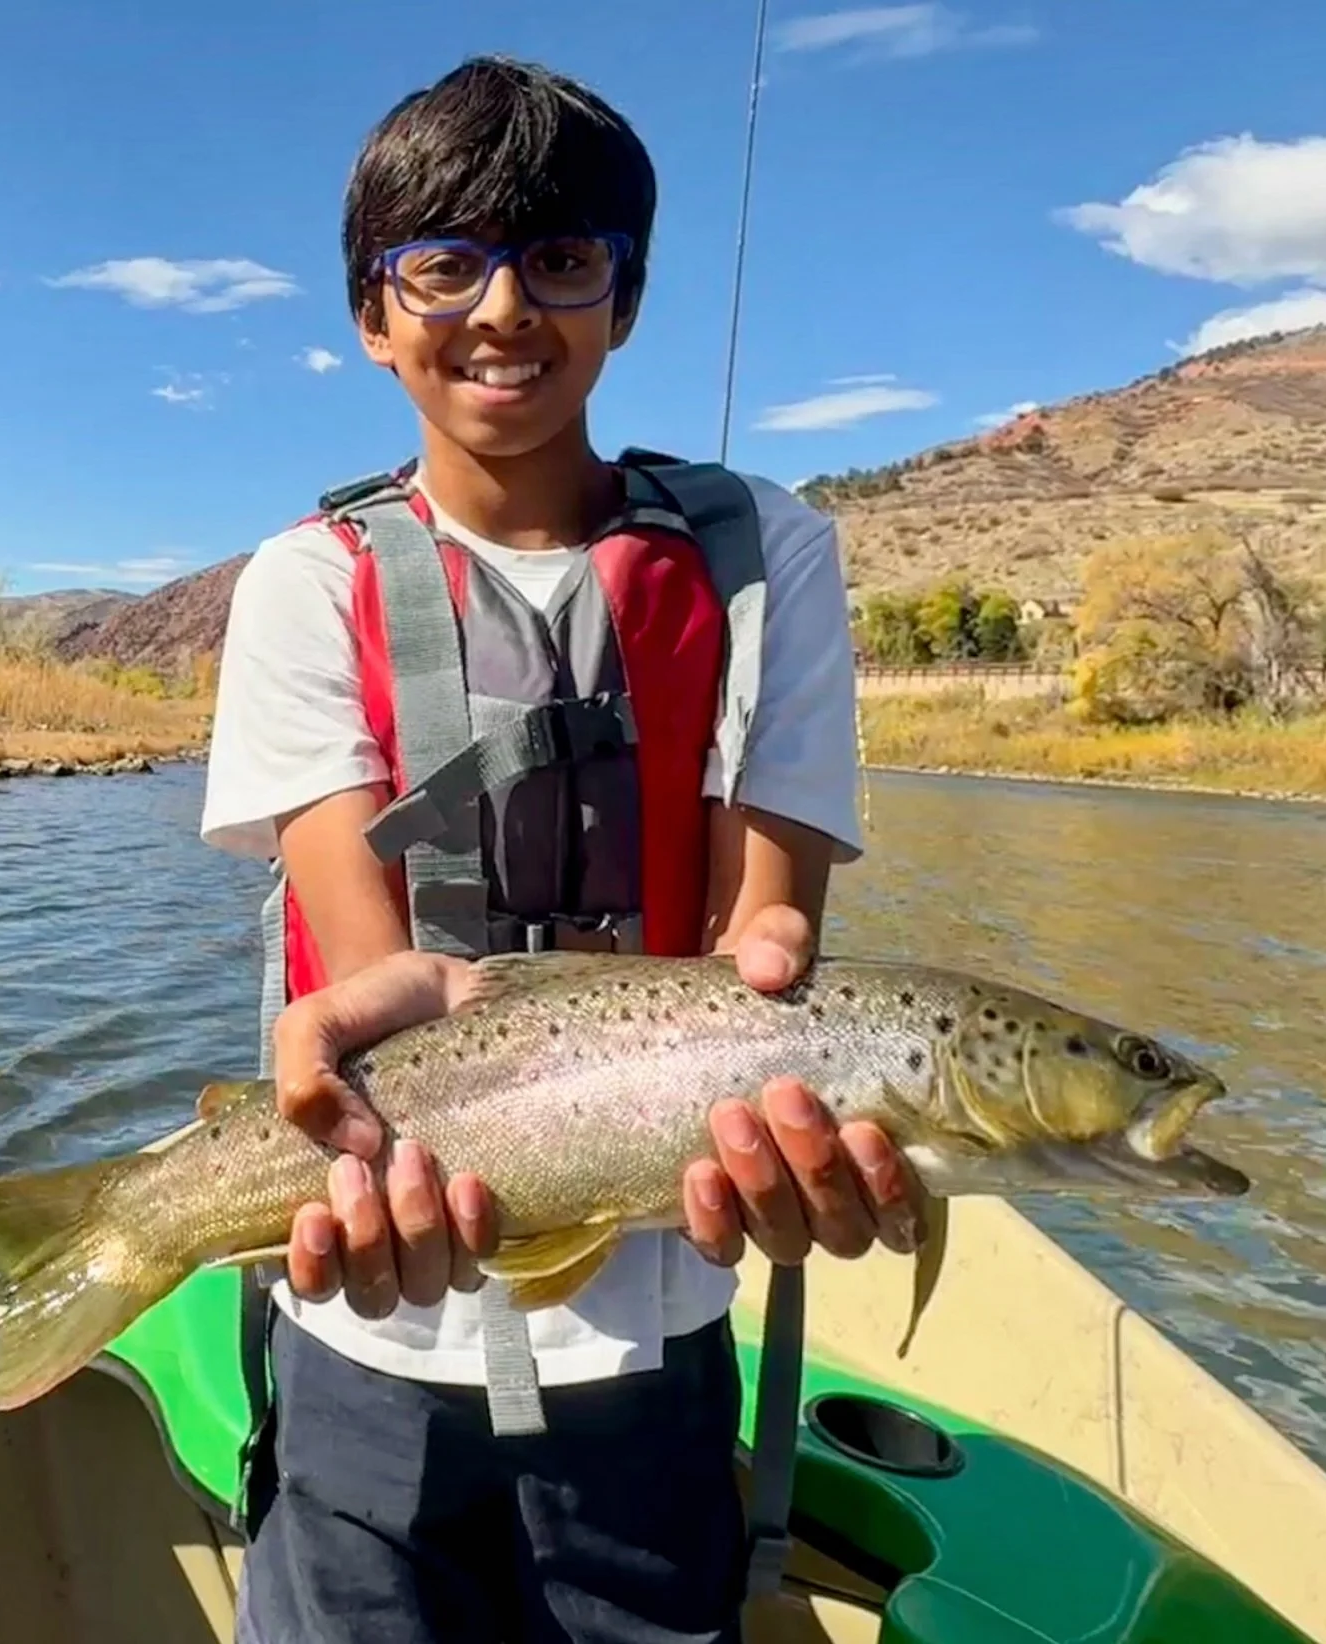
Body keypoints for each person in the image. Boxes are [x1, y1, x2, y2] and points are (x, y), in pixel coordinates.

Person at [200, 53, 922, 1644]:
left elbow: (768, 946)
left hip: (657, 1340)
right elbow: (372, 952)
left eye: (562, 259)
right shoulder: (302, 583)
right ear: (374, 315)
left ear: (626, 297)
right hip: (365, 1334)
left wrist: (801, 1079)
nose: (504, 309)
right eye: (443, 264)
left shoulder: (766, 552)